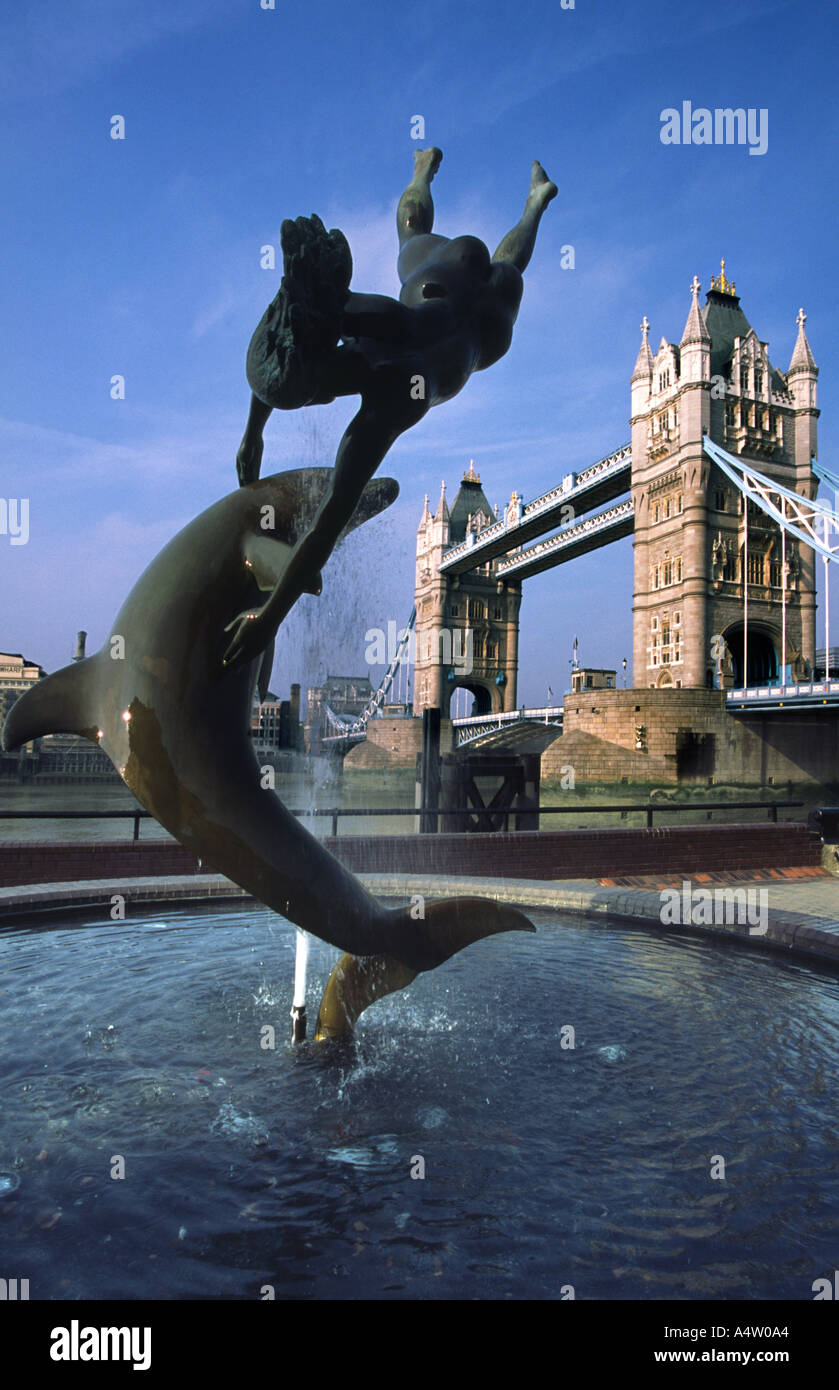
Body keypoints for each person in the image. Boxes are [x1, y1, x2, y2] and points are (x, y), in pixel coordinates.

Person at [224, 148, 556, 670]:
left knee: (507, 269)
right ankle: (455, 180)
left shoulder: (387, 412)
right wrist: (253, 432)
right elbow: (298, 333)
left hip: (486, 331)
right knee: (414, 238)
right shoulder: (369, 316)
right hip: (446, 281)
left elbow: (325, 527)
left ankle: (528, 202)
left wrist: (269, 620)